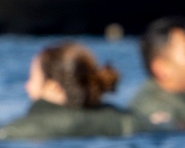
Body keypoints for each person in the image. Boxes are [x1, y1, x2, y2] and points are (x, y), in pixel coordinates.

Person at [0, 42, 150, 140]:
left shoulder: (18, 131)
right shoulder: (127, 120)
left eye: (32, 79)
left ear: (53, 87)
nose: (27, 86)